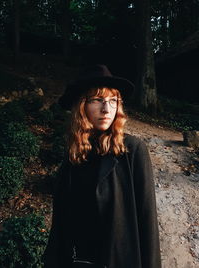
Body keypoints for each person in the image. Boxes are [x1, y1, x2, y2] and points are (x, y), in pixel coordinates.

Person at [43, 65, 161, 268]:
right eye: (97, 100)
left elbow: (147, 223)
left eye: (113, 101)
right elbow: (60, 225)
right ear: (82, 106)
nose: (107, 109)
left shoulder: (132, 150)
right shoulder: (73, 155)